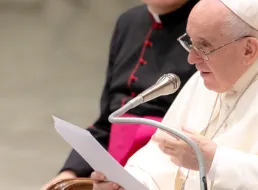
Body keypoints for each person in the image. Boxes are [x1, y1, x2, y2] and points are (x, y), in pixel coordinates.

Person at [90, 0, 258, 189]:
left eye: (205, 47)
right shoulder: (206, 78)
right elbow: (161, 152)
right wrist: (127, 180)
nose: (191, 58)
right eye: (190, 42)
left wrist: (213, 161)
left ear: (248, 50)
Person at [41, 0, 199, 189]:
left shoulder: (206, 23)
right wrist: (69, 172)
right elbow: (107, 122)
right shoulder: (129, 22)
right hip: (112, 167)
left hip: (170, 169)